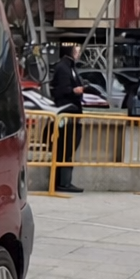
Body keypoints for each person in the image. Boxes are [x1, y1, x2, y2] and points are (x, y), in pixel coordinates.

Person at [49, 44, 85, 193]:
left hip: (72, 112)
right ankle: (62, 182)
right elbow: (60, 89)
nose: (78, 53)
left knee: (68, 147)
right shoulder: (63, 68)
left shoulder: (70, 67)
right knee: (65, 146)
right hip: (66, 112)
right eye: (76, 50)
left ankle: (64, 181)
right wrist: (73, 91)